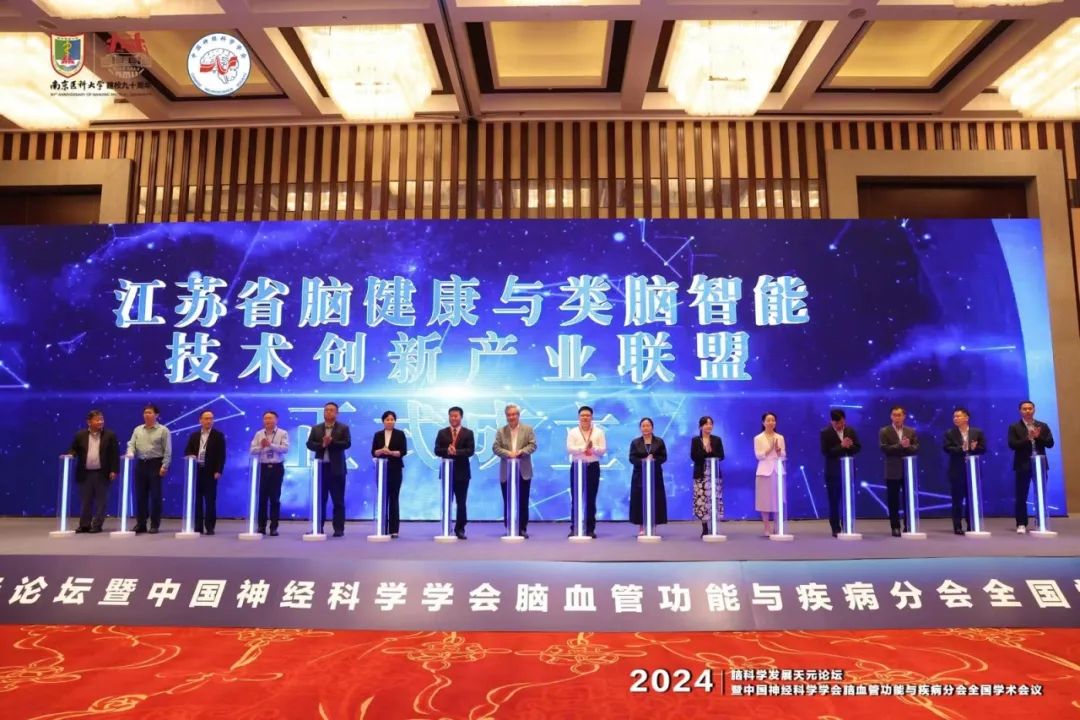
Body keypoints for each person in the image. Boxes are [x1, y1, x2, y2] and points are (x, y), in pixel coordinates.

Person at [66, 410, 120, 533]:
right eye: (97, 420)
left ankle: (97, 525)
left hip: (102, 473)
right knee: (85, 501)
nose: (100, 422)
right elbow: (73, 449)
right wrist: (70, 455)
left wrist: (114, 470)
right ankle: (84, 525)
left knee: (102, 501)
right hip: (85, 473)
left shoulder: (110, 435)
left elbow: (114, 454)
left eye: (102, 419)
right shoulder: (80, 435)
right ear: (89, 422)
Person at [1007, 400, 1055, 534]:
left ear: (1034, 410)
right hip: (1022, 465)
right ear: (1020, 411)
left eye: (1030, 408)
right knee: (1021, 495)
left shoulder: (1042, 426)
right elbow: (1012, 445)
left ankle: (1040, 521)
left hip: (1040, 464)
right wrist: (1027, 438)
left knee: (1041, 494)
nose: (1027, 411)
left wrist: (1039, 437)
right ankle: (1021, 523)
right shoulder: (1014, 427)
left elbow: (1050, 443)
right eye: (1024, 409)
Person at [305, 402, 351, 537]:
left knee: (338, 501)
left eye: (331, 410)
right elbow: (309, 444)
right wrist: (322, 444)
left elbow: (347, 443)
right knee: (320, 500)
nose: (328, 412)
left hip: (337, 468)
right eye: (326, 410)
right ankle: (318, 527)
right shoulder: (316, 428)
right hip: (321, 468)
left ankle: (339, 529)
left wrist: (332, 442)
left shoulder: (343, 428)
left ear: (337, 413)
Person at [492, 403, 537, 539]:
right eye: (509, 415)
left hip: (523, 470)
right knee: (508, 500)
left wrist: (520, 452)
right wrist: (508, 453)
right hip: (507, 471)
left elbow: (533, 445)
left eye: (514, 414)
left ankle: (522, 528)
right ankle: (509, 527)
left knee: (523, 501)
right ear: (506, 416)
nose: (511, 417)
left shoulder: (528, 429)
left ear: (518, 415)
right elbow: (495, 448)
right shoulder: (501, 431)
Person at [126, 403, 171, 534]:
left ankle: (155, 524)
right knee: (140, 496)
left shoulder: (163, 430)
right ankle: (141, 524)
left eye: (150, 412)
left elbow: (167, 450)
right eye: (145, 412)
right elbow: (131, 444)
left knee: (155, 496)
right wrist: (130, 452)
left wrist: (165, 465)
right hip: (141, 464)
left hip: (156, 464)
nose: (147, 415)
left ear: (156, 415)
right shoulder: (137, 429)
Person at [943, 407, 987, 535]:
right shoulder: (950, 433)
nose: (955, 419)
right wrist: (961, 448)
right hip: (957, 470)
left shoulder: (977, 432)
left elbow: (983, 448)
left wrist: (975, 448)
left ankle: (971, 524)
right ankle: (957, 525)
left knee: (972, 499)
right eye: (954, 417)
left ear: (966, 418)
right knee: (957, 500)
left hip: (973, 470)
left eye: (958, 416)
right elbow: (946, 448)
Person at [433, 406, 475, 540]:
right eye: (451, 416)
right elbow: (436, 450)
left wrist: (456, 452)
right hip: (447, 472)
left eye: (456, 416)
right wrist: (447, 450)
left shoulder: (468, 433)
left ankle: (460, 529)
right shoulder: (442, 432)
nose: (453, 418)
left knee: (461, 502)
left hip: (462, 473)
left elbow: (470, 451)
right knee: (446, 501)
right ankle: (446, 527)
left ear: (461, 417)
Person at [182, 411, 225, 535]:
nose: (208, 421)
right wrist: (190, 456)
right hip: (196, 471)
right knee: (197, 500)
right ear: (200, 420)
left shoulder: (218, 435)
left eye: (211, 418)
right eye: (206, 418)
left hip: (210, 472)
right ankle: (198, 526)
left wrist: (218, 470)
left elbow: (221, 455)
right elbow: (187, 451)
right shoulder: (194, 436)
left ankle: (210, 526)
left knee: (210, 500)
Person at [820, 409, 861, 538]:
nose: (840, 425)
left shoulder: (850, 431)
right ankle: (835, 527)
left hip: (848, 470)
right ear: (832, 421)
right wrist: (841, 446)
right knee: (834, 501)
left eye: (842, 422)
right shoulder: (825, 433)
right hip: (832, 472)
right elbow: (826, 452)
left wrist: (850, 446)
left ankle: (848, 525)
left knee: (848, 499)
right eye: (837, 423)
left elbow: (858, 447)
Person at [878, 405, 919, 537]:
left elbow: (916, 448)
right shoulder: (884, 431)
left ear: (904, 416)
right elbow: (884, 448)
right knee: (893, 501)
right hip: (892, 470)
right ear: (891, 416)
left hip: (908, 470)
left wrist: (907, 447)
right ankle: (895, 527)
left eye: (899, 415)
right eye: (894, 415)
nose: (897, 417)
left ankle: (909, 525)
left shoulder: (911, 431)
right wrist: (900, 445)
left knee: (909, 499)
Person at [566, 405, 606, 538]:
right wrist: (583, 448)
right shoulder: (573, 432)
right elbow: (570, 449)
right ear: (579, 417)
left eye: (588, 415)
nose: (585, 418)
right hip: (577, 467)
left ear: (592, 417)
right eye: (583, 415)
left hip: (592, 466)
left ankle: (590, 529)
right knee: (576, 498)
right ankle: (575, 527)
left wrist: (592, 448)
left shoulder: (599, 432)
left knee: (591, 498)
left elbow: (602, 450)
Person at [249, 410, 288, 536]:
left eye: (270, 418)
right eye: (265, 418)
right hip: (263, 467)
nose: (267, 420)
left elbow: (285, 449)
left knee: (275, 499)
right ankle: (261, 526)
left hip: (277, 468)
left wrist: (270, 445)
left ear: (276, 420)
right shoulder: (259, 434)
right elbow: (252, 450)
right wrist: (261, 447)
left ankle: (274, 527)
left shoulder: (283, 433)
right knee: (262, 498)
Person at [628, 417, 668, 536]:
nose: (646, 428)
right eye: (643, 426)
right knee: (640, 500)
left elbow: (664, 457)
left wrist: (653, 460)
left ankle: (653, 525)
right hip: (639, 476)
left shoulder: (659, 441)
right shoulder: (635, 442)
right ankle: (642, 526)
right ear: (640, 428)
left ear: (652, 427)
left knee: (656, 499)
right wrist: (643, 461)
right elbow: (632, 458)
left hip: (655, 475)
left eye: (648, 425)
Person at [371, 410, 407, 538]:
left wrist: (391, 452)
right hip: (382, 469)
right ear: (383, 421)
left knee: (394, 499)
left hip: (395, 469)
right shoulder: (378, 435)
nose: (390, 421)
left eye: (392, 419)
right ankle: (382, 527)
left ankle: (394, 529)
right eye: (387, 419)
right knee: (382, 499)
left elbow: (403, 451)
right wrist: (381, 451)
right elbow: (373, 452)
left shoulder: (400, 434)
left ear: (395, 421)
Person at [690, 415, 725, 537]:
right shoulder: (695, 440)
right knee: (702, 501)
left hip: (714, 474)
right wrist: (705, 451)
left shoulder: (717, 440)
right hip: (700, 474)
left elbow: (721, 456)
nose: (708, 426)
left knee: (715, 500)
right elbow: (694, 457)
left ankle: (714, 526)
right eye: (706, 424)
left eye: (710, 423)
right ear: (701, 426)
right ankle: (705, 528)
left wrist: (711, 451)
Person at [754, 412, 786, 536]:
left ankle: (777, 526)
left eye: (773, 420)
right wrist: (770, 447)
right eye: (768, 420)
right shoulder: (758, 438)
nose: (771, 422)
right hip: (764, 471)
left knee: (778, 499)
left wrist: (778, 451)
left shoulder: (780, 437)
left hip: (777, 471)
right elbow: (759, 456)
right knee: (764, 500)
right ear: (763, 423)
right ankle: (766, 527)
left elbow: (783, 455)